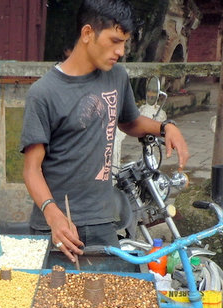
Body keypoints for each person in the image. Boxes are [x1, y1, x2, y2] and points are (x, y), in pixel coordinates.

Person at [20, 0, 189, 263]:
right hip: (55, 226)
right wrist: (52, 214)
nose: (120, 51)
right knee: (55, 302)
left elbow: (129, 122)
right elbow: (31, 169)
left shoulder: (116, 77)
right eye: (114, 41)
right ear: (88, 34)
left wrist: (166, 128)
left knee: (111, 298)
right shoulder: (44, 93)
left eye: (124, 43)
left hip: (101, 220)